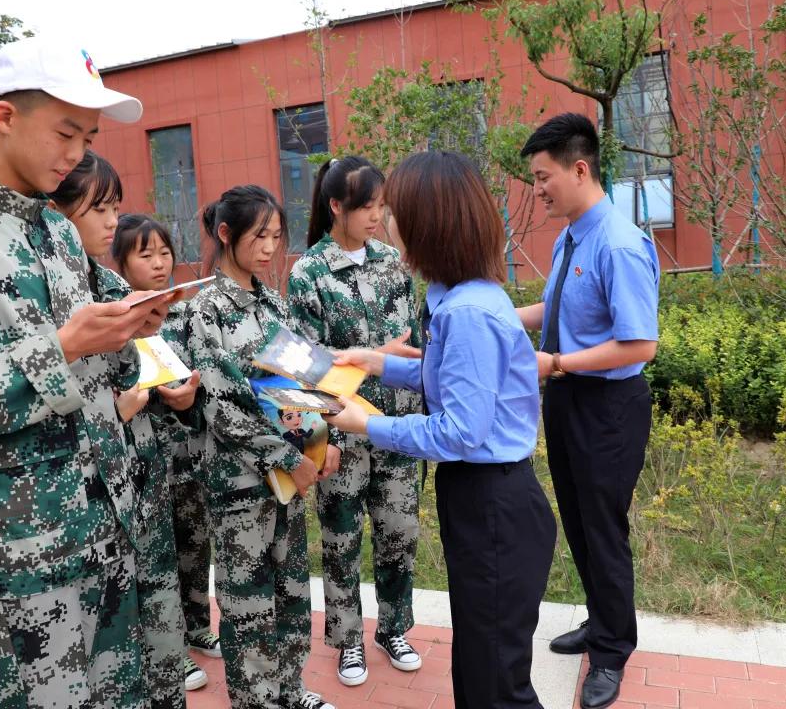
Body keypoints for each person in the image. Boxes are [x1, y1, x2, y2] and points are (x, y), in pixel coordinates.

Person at [0, 37, 177, 708]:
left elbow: (103, 368)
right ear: (7, 116)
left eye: (90, 136)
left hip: (109, 524)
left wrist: (129, 330)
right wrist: (65, 347)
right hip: (26, 554)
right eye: (66, 131)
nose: (78, 154)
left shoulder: (56, 232)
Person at [326, 151, 556, 709]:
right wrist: (376, 362)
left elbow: (459, 431)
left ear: (430, 223)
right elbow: (450, 377)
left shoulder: (467, 312)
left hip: (492, 504)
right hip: (487, 500)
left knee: (495, 681)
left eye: (395, 211)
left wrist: (370, 424)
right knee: (482, 666)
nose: (387, 222)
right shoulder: (467, 297)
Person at [515, 112, 659, 709]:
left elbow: (640, 343)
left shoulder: (619, 244)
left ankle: (612, 651)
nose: (538, 188)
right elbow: (552, 313)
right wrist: (493, 317)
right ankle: (602, 625)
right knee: (577, 520)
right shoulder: (570, 237)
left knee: (602, 528)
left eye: (544, 176)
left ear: (580, 169)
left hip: (609, 406)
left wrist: (557, 365)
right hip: (571, 397)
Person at [50, 152, 199, 708]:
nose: (112, 220)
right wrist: (119, 408)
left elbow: (139, 368)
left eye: (116, 206)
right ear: (58, 212)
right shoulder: (44, 293)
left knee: (161, 630)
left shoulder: (111, 284)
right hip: (85, 501)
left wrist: (172, 390)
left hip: (143, 480)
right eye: (98, 208)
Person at [184, 185, 340, 709]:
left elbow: (305, 384)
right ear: (226, 234)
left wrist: (325, 442)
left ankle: (289, 689)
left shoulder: (272, 302)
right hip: (241, 484)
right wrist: (287, 457)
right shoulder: (205, 311)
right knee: (248, 602)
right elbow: (221, 407)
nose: (271, 247)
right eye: (260, 236)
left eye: (277, 236)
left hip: (292, 479)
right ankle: (256, 699)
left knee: (291, 591)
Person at [286, 155, 423, 687]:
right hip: (342, 427)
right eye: (366, 206)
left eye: (380, 205)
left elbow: (410, 346)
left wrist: (391, 361)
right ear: (335, 206)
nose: (375, 216)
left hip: (397, 426)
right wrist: (372, 355)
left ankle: (395, 627)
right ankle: (347, 641)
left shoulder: (392, 265)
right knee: (342, 540)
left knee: (398, 533)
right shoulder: (309, 274)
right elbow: (303, 363)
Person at [111, 212, 217, 693]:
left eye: (164, 252)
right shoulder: (113, 321)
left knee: (196, 546)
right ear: (122, 262)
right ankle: (169, 647)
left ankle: (198, 627)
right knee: (157, 558)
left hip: (187, 454)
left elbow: (202, 380)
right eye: (145, 254)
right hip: (141, 463)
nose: (158, 263)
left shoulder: (186, 315)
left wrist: (189, 398)